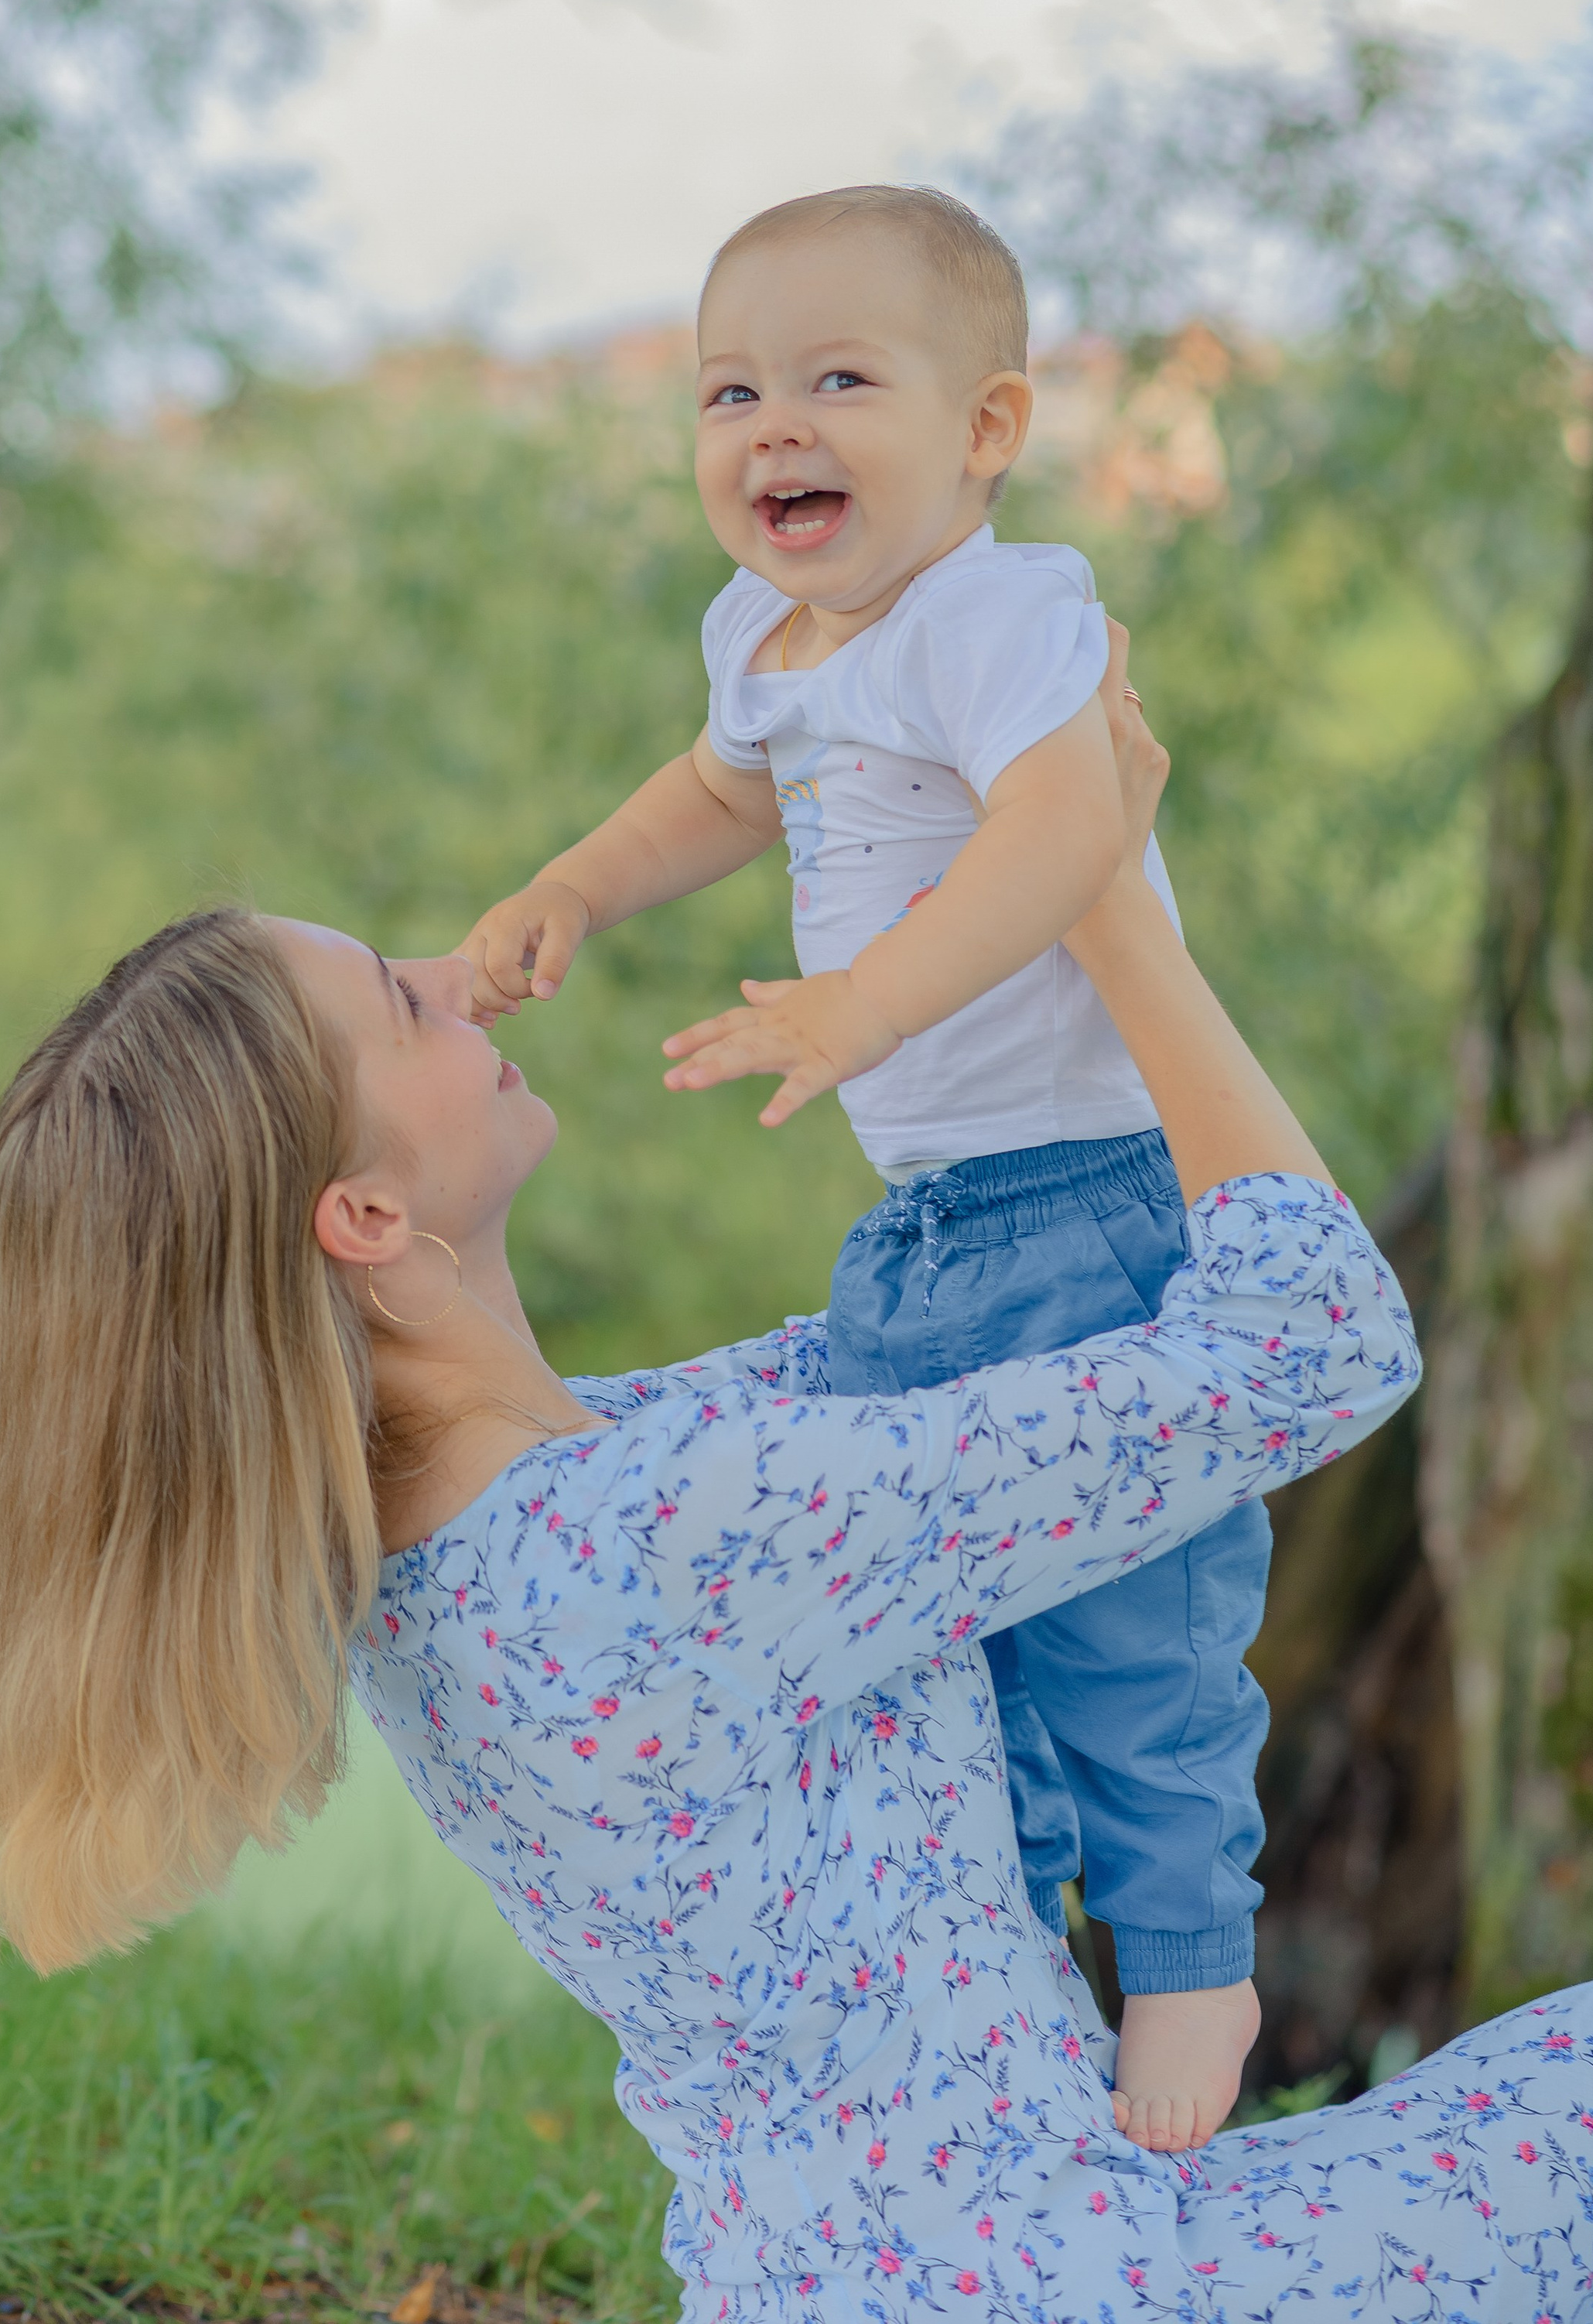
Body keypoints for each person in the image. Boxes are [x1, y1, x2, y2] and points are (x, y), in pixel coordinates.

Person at [0, 645, 1593, 2320]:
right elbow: (1314, 1335)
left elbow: (1002, 1349)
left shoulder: (481, 1543)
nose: (455, 974)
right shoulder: (671, 1528)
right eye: (401, 1002)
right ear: (368, 1218)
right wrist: (1097, 902)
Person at [460, 183, 1267, 2150]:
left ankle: (1188, 1962)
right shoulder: (769, 627)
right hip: (926, 1226)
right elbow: (723, 786)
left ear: (983, 429)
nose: (774, 428)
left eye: (840, 379)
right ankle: (1013, 1980)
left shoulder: (995, 613)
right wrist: (579, 882)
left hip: (1080, 1197)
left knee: (1130, 1617)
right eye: (731, 389)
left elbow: (1063, 823)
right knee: (957, 1628)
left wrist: (866, 1008)